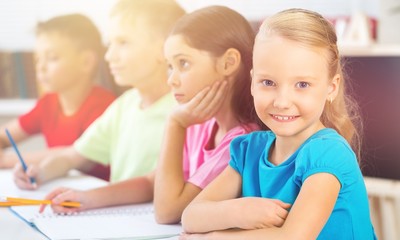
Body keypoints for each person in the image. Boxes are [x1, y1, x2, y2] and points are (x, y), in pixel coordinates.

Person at [181, 8, 377, 239]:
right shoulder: (248, 150)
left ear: (331, 88)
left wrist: (214, 237)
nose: (282, 102)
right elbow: (190, 216)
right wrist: (238, 211)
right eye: (268, 82)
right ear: (253, 83)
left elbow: (293, 237)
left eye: (302, 84)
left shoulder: (328, 153)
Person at [13, 0, 185, 214]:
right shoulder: (124, 106)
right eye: (110, 43)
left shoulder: (185, 112)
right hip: (117, 216)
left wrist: (88, 198)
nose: (109, 55)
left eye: (123, 42)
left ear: (164, 48)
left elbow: (151, 185)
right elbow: (71, 156)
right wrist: (39, 171)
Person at [154, 5, 263, 224]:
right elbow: (155, 181)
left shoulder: (243, 142)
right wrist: (87, 199)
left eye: (183, 63)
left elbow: (168, 212)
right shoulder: (198, 126)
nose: (171, 80)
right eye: (170, 66)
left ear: (228, 63)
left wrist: (174, 123)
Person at [0, 14, 116, 181]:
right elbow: (4, 135)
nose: (40, 67)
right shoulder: (48, 103)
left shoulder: (105, 107)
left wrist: (6, 160)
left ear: (86, 62)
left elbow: (75, 153)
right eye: (37, 59)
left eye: (52, 58)